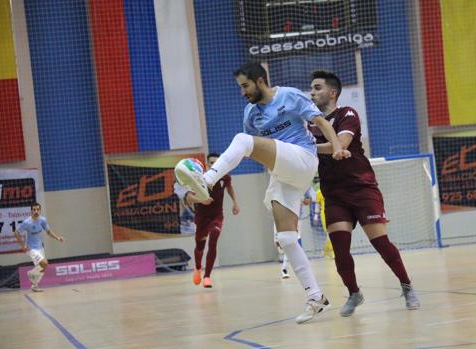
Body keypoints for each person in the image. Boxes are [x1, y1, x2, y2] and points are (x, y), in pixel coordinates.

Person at [191, 62, 350, 324]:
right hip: (283, 172)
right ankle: (315, 296)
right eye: (240, 87)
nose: (242, 92)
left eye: (245, 86)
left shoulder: (289, 95)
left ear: (260, 80)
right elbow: (253, 149)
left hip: (303, 158)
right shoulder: (251, 114)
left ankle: (206, 180)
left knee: (242, 141)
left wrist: (336, 148)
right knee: (288, 238)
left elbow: (320, 121)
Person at [308, 70, 420, 317]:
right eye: (311, 88)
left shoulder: (347, 114)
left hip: (362, 188)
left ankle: (407, 285)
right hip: (334, 194)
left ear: (332, 92)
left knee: (380, 243)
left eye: (317, 88)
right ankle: (354, 293)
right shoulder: (309, 124)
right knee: (340, 249)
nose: (312, 92)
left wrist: (307, 148)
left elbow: (341, 144)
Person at [180, 153, 240, 288]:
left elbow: (229, 187)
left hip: (217, 215)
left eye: (217, 163)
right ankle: (197, 268)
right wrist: (201, 200)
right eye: (212, 163)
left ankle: (207, 276)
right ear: (207, 165)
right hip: (201, 217)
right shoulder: (199, 178)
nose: (215, 165)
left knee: (213, 240)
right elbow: (188, 197)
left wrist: (235, 202)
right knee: (200, 246)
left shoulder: (225, 176)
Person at [13, 202, 65, 292]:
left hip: (40, 247)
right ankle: (31, 274)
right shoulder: (27, 222)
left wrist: (58, 238)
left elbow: (48, 232)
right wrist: (23, 245)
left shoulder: (42, 220)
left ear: (40, 210)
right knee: (45, 263)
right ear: (31, 211)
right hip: (31, 248)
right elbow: (16, 232)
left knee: (43, 268)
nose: (36, 211)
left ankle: (34, 285)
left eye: (37, 209)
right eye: (34, 209)